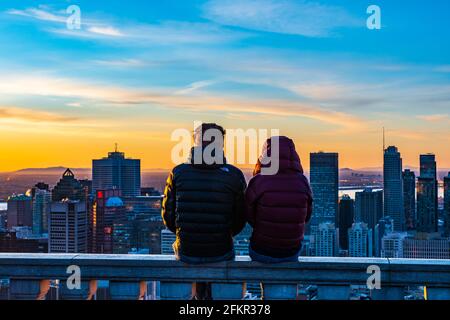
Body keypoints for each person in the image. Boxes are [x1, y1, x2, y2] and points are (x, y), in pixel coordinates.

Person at [162, 123, 247, 300]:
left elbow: (168, 216)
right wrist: (225, 234)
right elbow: (241, 218)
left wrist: (184, 234)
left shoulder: (178, 172)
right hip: (221, 250)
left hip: (187, 250)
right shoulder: (234, 175)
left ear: (196, 142)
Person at [245, 136, 313, 264]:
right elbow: (306, 217)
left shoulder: (258, 181)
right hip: (291, 251)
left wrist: (262, 227)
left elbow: (249, 215)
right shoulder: (302, 181)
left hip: (262, 250)